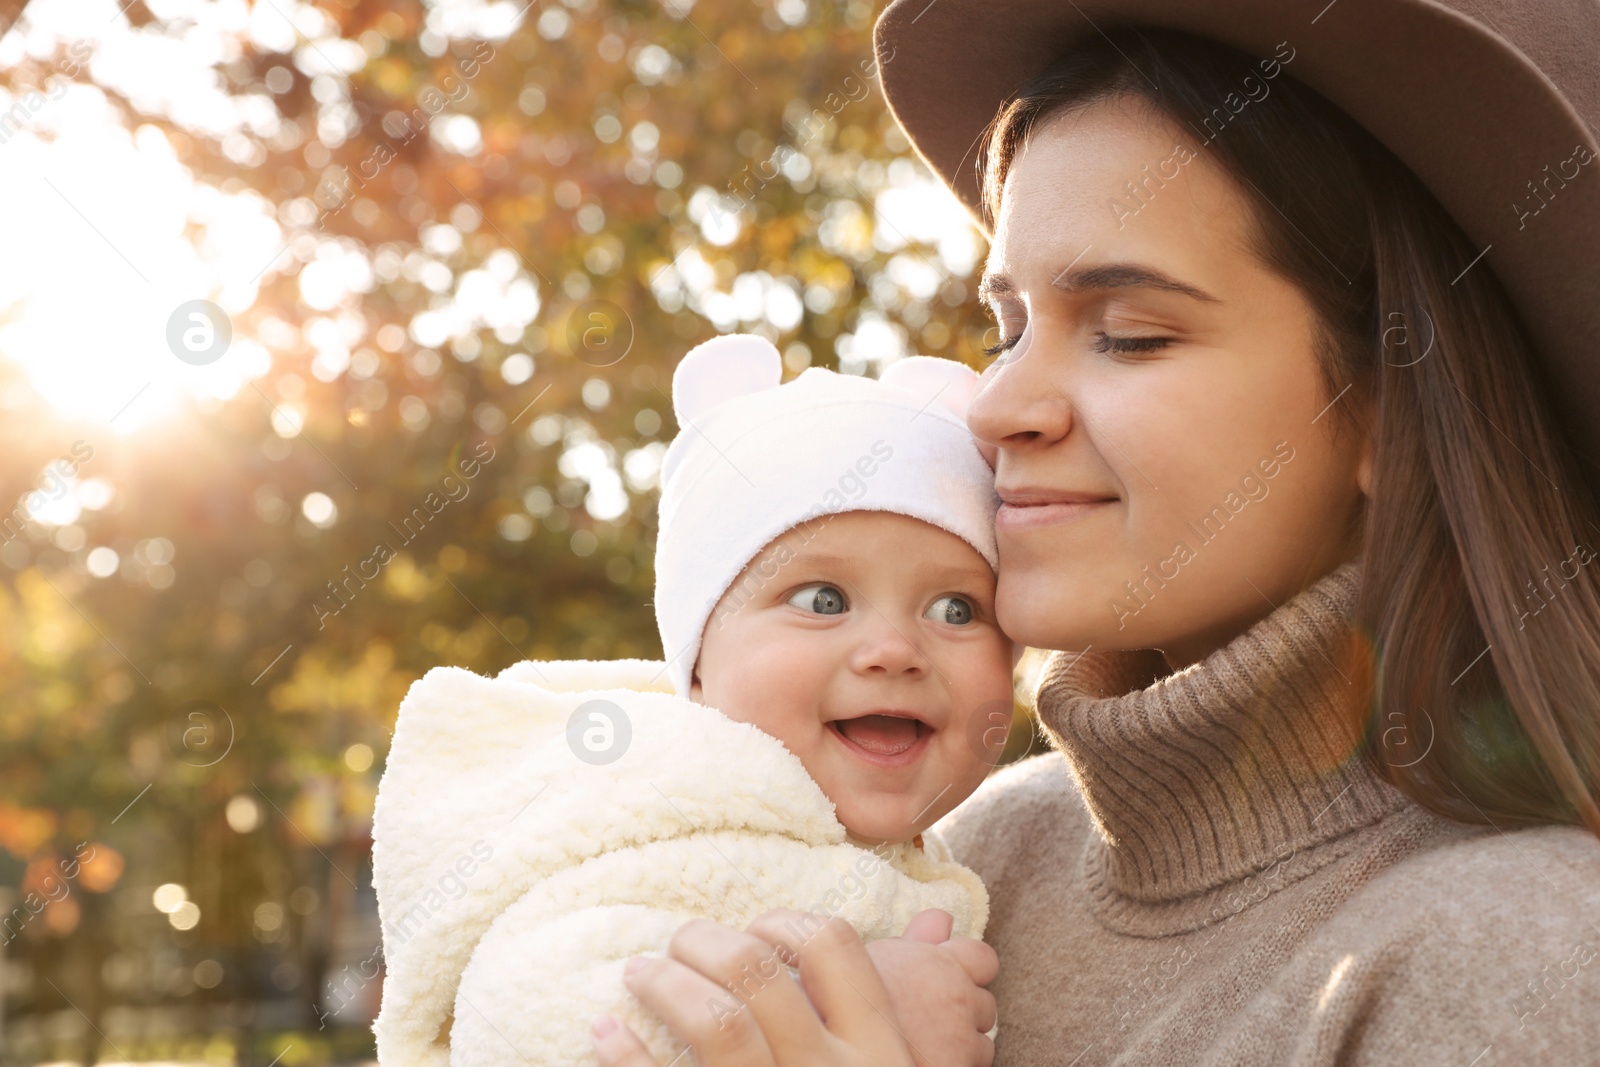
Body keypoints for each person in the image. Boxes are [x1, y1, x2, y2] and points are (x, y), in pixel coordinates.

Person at [592, 4, 1600, 1065]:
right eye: (1007, 327)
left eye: (1127, 334)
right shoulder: (970, 854)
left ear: (1389, 410)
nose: (992, 405)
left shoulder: (1520, 952)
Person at [370, 332, 1011, 1066]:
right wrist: (857, 1007)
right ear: (697, 666)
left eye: (957, 609)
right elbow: (531, 1020)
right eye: (823, 598)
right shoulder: (652, 810)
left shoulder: (953, 858)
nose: (896, 649)